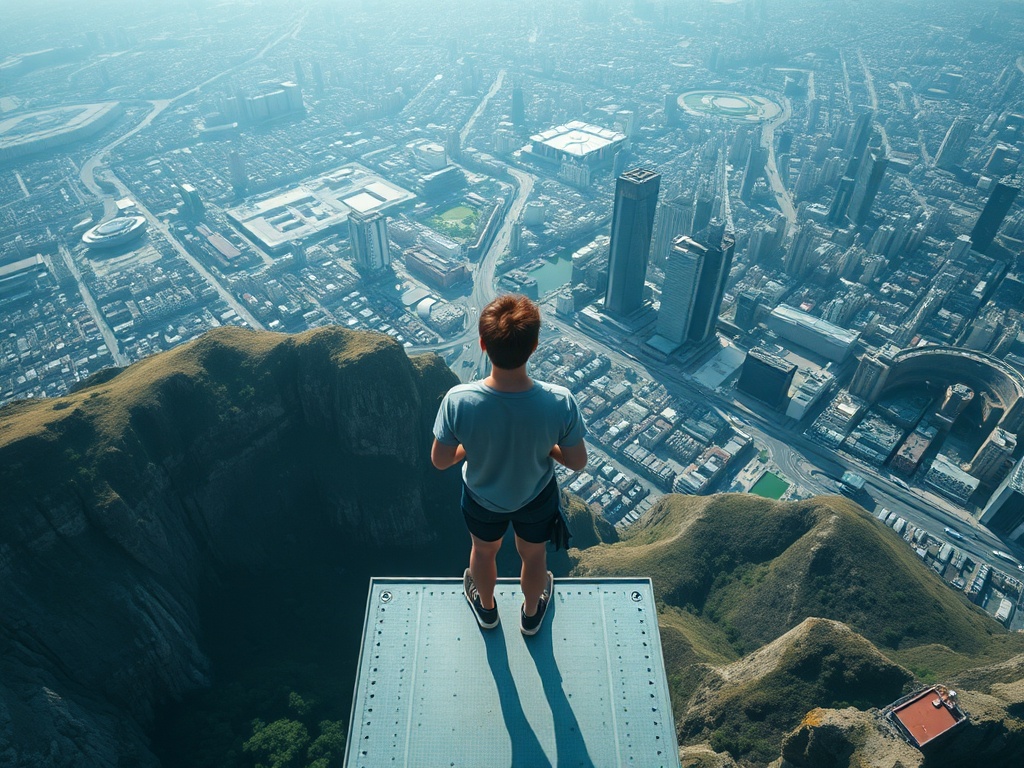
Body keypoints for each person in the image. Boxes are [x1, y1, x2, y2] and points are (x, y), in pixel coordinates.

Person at [431, 294, 587, 636]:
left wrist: (471, 450)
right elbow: (577, 462)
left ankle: (487, 611)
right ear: (534, 346)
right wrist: (548, 448)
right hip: (536, 498)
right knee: (534, 558)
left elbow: (441, 460)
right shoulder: (560, 401)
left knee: (483, 554)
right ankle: (531, 615)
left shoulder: (458, 401)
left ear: (483, 344)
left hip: (481, 498)